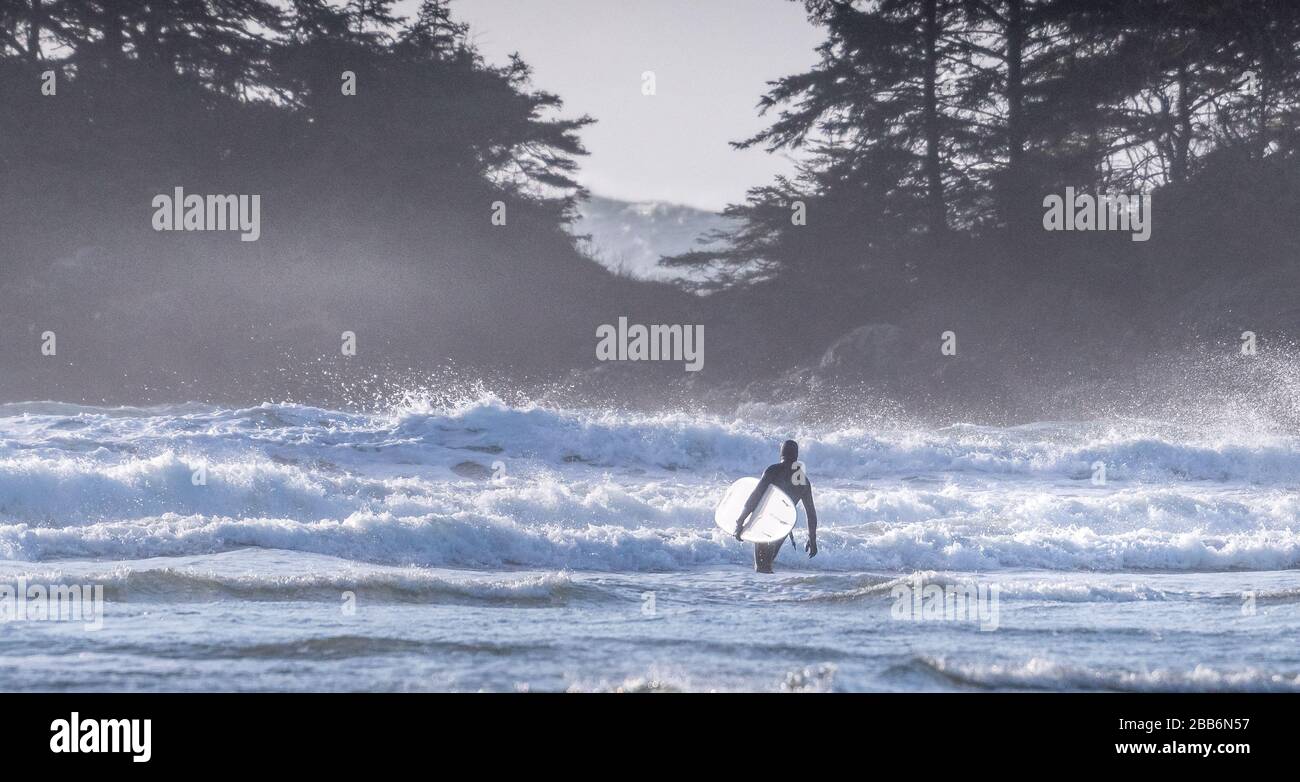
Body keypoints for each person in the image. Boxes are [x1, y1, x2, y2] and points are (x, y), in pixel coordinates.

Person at [733, 439, 818, 573]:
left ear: (781, 454)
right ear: (796, 456)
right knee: (767, 563)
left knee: (761, 566)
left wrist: (740, 521)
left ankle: (764, 591)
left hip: (766, 521)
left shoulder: (773, 470)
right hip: (784, 525)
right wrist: (812, 539)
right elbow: (811, 514)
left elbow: (755, 497)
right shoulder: (803, 480)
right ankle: (770, 591)